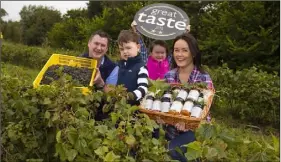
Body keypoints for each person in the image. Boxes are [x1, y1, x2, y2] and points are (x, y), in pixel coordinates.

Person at [157, 33, 214, 162]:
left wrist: (188, 122)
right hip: (171, 129)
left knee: (172, 151)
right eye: (176, 50)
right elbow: (163, 102)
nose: (179, 54)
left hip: (195, 129)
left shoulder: (203, 78)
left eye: (184, 50)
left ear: (193, 53)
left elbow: (204, 111)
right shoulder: (169, 76)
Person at [114, 29, 149, 105]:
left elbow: (143, 88)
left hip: (133, 108)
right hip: (118, 105)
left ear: (138, 47)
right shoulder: (119, 65)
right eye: (122, 49)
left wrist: (129, 96)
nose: (125, 51)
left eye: (128, 48)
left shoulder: (141, 67)